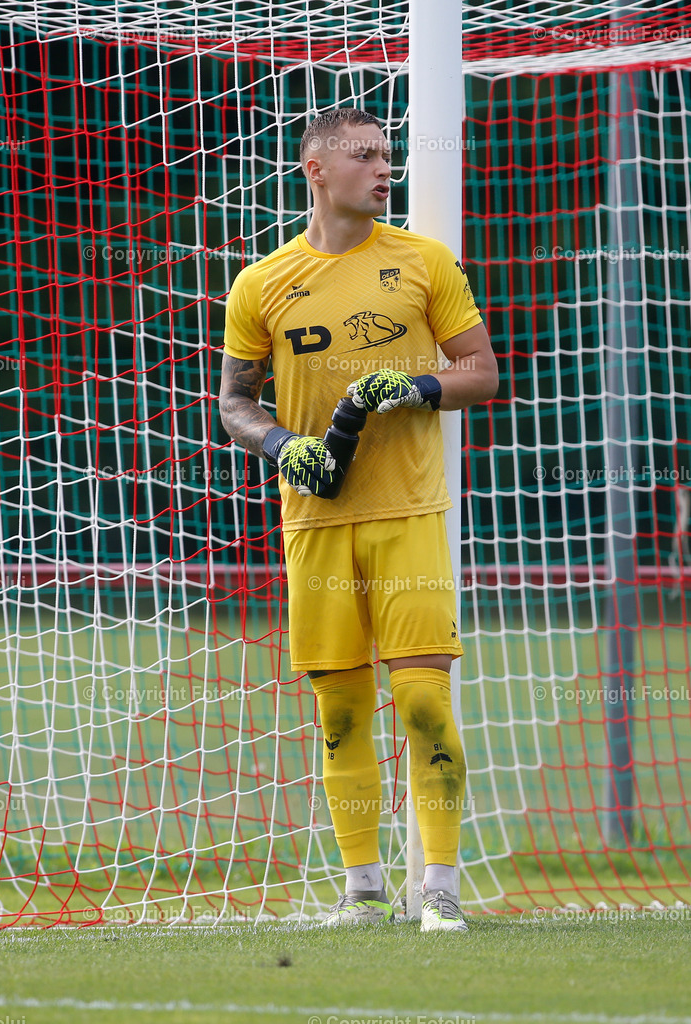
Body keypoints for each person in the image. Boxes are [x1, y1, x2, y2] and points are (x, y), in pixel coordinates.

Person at [218, 108, 497, 932]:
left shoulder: (423, 262)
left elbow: (480, 370)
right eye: (366, 156)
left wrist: (420, 387)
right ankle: (363, 891)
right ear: (316, 170)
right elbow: (233, 402)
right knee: (339, 711)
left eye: (389, 155)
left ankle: (438, 889)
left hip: (407, 513)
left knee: (422, 703)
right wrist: (278, 444)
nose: (385, 169)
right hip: (314, 523)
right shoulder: (261, 283)